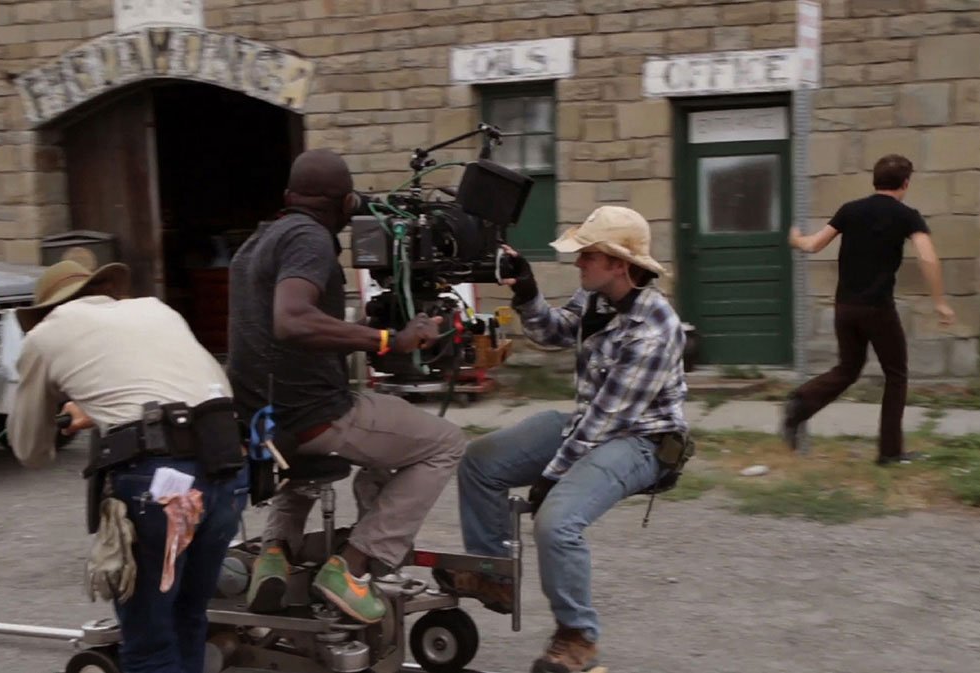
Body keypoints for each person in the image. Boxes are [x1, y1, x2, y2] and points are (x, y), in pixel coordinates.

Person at [435, 206, 689, 673]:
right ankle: (495, 576)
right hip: (590, 421)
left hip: (641, 441)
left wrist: (552, 477)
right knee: (480, 461)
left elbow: (609, 420)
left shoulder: (654, 329)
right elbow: (554, 333)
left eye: (587, 255)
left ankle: (578, 638)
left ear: (619, 264)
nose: (578, 263)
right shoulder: (598, 298)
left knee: (556, 522)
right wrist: (527, 291)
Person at [226, 148, 467, 623]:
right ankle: (352, 568)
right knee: (446, 443)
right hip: (316, 417)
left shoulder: (256, 243)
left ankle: (275, 551)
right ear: (344, 203)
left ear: (289, 196)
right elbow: (291, 320)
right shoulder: (310, 240)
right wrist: (388, 340)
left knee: (307, 444)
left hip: (263, 425)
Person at [8, 259, 248, 673]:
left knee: (149, 642)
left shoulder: (46, 336)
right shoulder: (156, 310)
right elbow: (171, 391)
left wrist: (66, 416)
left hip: (160, 484)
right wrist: (99, 409)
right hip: (228, 469)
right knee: (190, 617)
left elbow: (31, 449)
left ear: (45, 311)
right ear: (102, 291)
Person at [783, 153, 955, 464]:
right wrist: (940, 303)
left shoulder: (850, 210)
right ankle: (889, 453)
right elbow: (928, 258)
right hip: (877, 308)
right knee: (896, 375)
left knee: (848, 369)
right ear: (905, 183)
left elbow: (813, 245)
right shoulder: (907, 216)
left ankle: (801, 402)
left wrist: (795, 239)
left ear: (874, 181)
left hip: (845, 307)